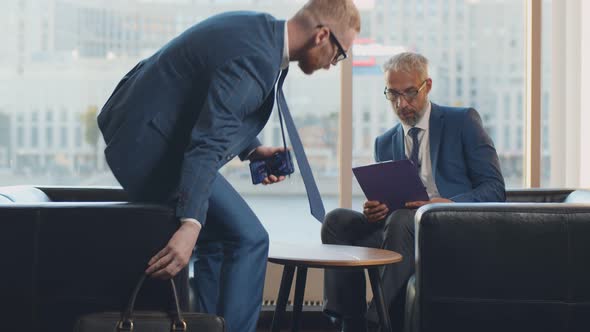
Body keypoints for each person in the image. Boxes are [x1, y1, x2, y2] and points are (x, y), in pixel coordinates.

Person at [97, 1, 361, 332]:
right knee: (249, 239)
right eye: (341, 53)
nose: (335, 64)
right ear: (322, 35)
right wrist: (189, 225)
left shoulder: (260, 32)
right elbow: (206, 144)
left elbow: (211, 102)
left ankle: (205, 327)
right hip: (149, 148)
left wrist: (252, 149)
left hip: (146, 135)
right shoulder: (257, 59)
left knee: (219, 241)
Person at [321, 52, 506, 332]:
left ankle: (378, 320)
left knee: (403, 219)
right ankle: (350, 321)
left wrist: (447, 204)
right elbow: (388, 203)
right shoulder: (384, 142)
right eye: (393, 94)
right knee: (336, 221)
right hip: (399, 229)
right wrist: (375, 211)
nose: (401, 104)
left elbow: (495, 189)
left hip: (447, 226)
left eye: (409, 93)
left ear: (427, 86)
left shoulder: (463, 121)